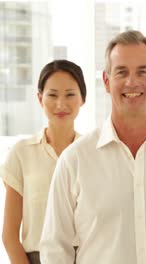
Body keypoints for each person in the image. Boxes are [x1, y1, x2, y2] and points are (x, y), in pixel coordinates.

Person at [39, 30, 146, 264]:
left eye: (142, 71)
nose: (132, 82)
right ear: (107, 82)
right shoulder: (75, 160)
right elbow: (55, 249)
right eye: (121, 72)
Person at [1, 59, 86, 264]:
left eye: (70, 94)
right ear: (40, 98)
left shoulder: (91, 153)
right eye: (53, 95)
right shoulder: (21, 153)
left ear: (83, 99)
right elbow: (10, 235)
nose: (61, 104)